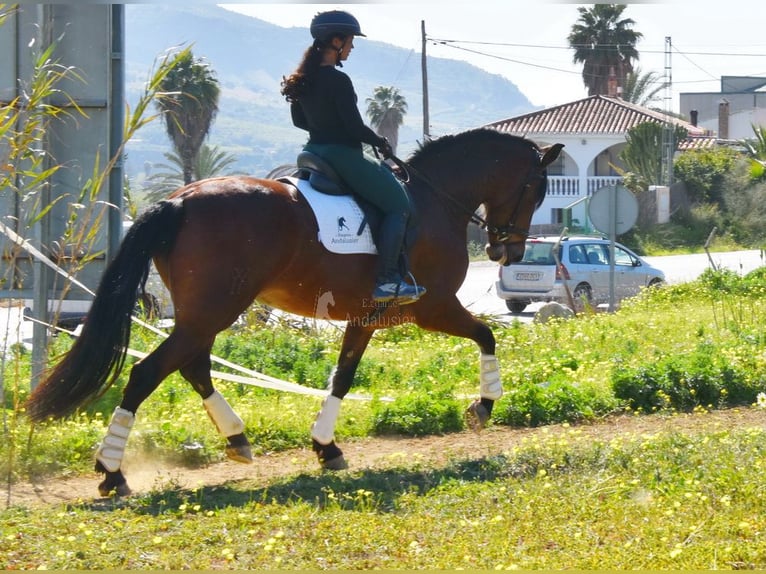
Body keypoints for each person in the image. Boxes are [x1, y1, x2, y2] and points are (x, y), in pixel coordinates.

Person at [280, 10, 425, 305]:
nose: (352, 47)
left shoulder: (302, 79)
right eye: (349, 41)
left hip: (313, 152)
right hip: (341, 154)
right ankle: (387, 280)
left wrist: (323, 129)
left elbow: (299, 122)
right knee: (399, 204)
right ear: (336, 41)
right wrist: (380, 142)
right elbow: (353, 127)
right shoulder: (338, 80)